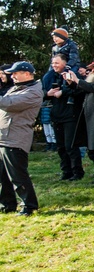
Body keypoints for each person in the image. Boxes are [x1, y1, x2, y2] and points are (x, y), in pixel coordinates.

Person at [0, 62, 43, 216]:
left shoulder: (33, 92)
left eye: (15, 73)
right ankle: (7, 204)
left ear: (26, 74)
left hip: (16, 138)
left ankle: (29, 205)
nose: (12, 76)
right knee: (3, 176)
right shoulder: (18, 87)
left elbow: (8, 103)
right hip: (5, 136)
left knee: (18, 176)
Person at [44, 54, 85, 181]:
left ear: (64, 63)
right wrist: (48, 94)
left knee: (70, 146)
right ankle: (66, 171)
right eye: (53, 63)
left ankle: (77, 172)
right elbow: (42, 92)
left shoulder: (73, 74)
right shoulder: (49, 76)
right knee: (61, 147)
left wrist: (63, 91)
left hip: (71, 115)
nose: (54, 65)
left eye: (57, 63)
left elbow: (79, 90)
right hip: (56, 115)